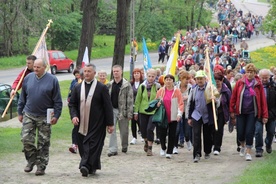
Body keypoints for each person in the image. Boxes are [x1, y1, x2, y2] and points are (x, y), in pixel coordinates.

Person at [18, 58, 63, 175]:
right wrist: (19, 112)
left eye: (38, 67)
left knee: (43, 143)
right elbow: (22, 97)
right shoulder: (28, 78)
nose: (35, 69)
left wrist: (56, 115)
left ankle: (41, 166)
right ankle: (31, 160)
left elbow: (57, 100)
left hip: (45, 116)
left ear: (45, 67)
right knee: (25, 139)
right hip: (29, 113)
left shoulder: (52, 80)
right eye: (34, 67)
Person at [69, 63, 114, 177]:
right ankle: (92, 166)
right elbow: (72, 104)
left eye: (89, 71)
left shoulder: (101, 88)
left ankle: (84, 165)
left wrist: (110, 123)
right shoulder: (77, 87)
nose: (87, 73)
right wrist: (74, 116)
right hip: (81, 122)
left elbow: (108, 106)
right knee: (83, 145)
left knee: (93, 145)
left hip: (97, 123)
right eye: (85, 71)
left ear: (94, 73)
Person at [230, 63, 268, 161]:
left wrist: (265, 115)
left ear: (255, 73)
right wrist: (232, 111)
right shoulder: (240, 83)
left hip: (252, 112)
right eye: (248, 72)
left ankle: (248, 152)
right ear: (245, 73)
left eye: (251, 72)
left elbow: (263, 101)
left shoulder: (258, 84)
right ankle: (242, 145)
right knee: (240, 133)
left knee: (249, 132)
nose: (249, 74)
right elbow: (233, 97)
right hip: (241, 112)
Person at [186, 70, 215, 163]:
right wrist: (189, 117)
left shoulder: (210, 88)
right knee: (196, 134)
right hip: (196, 114)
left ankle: (207, 151)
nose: (199, 81)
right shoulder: (193, 89)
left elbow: (217, 102)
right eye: (197, 79)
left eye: (201, 79)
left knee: (207, 134)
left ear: (205, 79)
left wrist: (214, 99)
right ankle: (197, 154)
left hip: (207, 115)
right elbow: (190, 103)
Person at [106, 65, 133, 157]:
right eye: (114, 71)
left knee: (124, 131)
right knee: (111, 130)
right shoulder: (109, 84)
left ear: (121, 72)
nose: (116, 73)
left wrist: (130, 113)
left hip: (123, 110)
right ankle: (113, 149)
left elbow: (130, 99)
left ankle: (124, 145)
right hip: (112, 110)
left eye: (117, 71)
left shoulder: (126, 85)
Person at [156, 74, 184, 159]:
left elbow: (181, 103)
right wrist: (157, 104)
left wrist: (179, 114)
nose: (168, 81)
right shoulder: (161, 90)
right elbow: (156, 101)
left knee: (172, 134)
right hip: (163, 116)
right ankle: (163, 147)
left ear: (173, 81)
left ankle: (169, 151)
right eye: (166, 79)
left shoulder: (177, 91)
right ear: (164, 81)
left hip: (173, 115)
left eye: (170, 79)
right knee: (162, 134)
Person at [134, 69, 160, 156]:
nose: (151, 78)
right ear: (146, 76)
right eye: (149, 76)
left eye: (153, 76)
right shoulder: (142, 86)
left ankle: (150, 148)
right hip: (143, 111)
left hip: (153, 111)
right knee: (143, 130)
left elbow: (160, 98)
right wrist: (135, 112)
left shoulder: (157, 86)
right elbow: (138, 100)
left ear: (155, 77)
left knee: (150, 129)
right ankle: (146, 141)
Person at [254, 69, 276, 157]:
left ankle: (268, 144)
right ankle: (259, 149)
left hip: (271, 113)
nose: (264, 79)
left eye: (266, 77)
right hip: (259, 113)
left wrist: (272, 113)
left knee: (271, 132)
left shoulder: (274, 87)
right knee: (258, 131)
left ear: (269, 77)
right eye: (262, 77)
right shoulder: (256, 86)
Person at [213, 73, 232, 155]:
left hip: (222, 113)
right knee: (212, 129)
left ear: (222, 81)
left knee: (219, 129)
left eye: (218, 81)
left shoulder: (226, 91)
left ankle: (217, 147)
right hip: (212, 112)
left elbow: (229, 103)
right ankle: (212, 143)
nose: (217, 82)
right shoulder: (211, 89)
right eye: (215, 81)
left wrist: (230, 113)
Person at [174, 70, 193, 154]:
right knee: (177, 130)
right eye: (185, 78)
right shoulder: (176, 87)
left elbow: (193, 98)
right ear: (181, 79)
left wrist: (187, 97)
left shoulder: (190, 88)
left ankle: (188, 141)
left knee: (187, 131)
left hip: (187, 111)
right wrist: (180, 98)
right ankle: (175, 146)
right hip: (177, 111)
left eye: (188, 78)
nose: (187, 80)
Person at [68, 69, 82, 154]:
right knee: (76, 127)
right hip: (77, 111)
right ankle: (74, 145)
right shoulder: (75, 84)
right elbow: (71, 98)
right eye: (76, 74)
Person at [130, 68, 144, 145]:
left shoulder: (143, 83)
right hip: (132, 105)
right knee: (133, 122)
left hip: (141, 105)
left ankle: (142, 133)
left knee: (140, 121)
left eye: (137, 73)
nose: (136, 75)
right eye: (134, 73)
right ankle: (134, 137)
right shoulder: (131, 83)